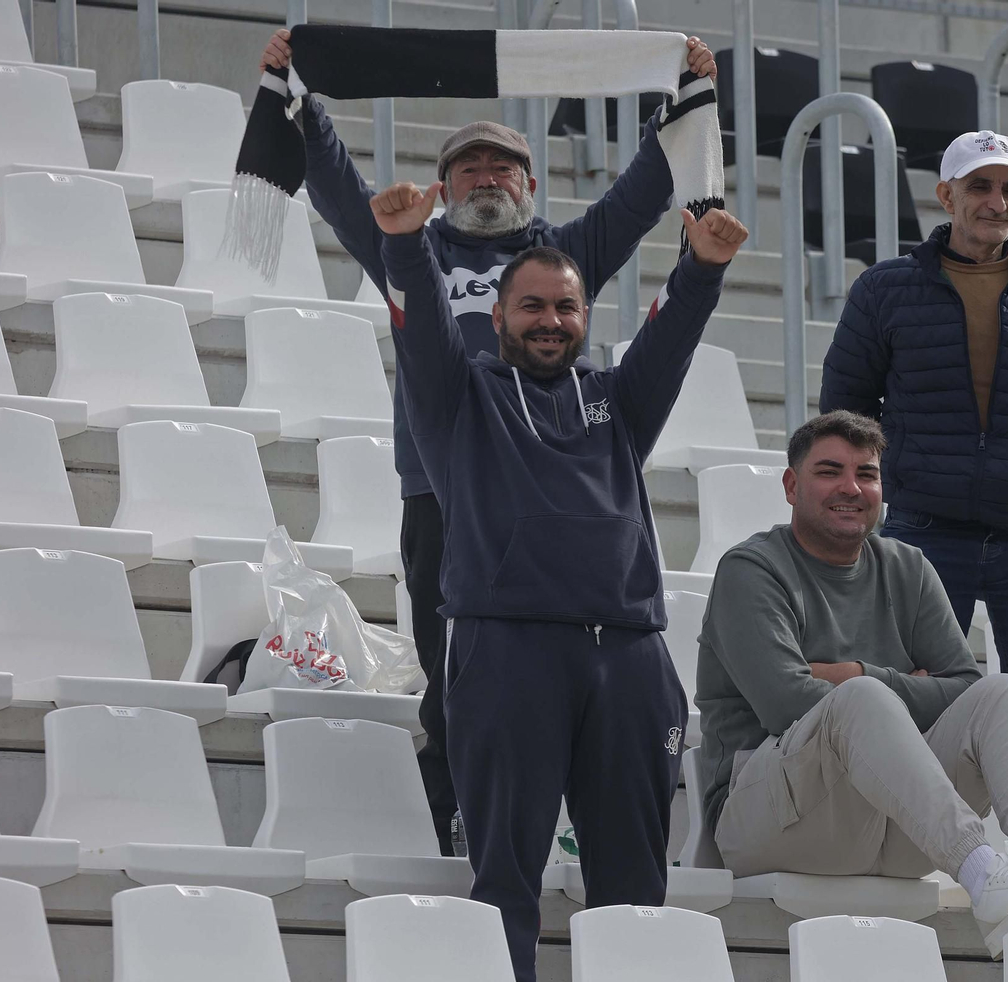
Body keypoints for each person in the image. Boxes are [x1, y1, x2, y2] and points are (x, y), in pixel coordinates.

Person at [258, 28, 717, 851]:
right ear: (441, 189)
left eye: (502, 166)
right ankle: (456, 818)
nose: (486, 178)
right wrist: (303, 101)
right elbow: (334, 186)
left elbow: (642, 196)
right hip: (444, 490)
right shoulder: (413, 247)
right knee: (452, 665)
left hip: (551, 491)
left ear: (531, 186)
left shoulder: (561, 258)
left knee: (564, 669)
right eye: (468, 167)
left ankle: (562, 813)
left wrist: (677, 101)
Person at [370, 173, 747, 981]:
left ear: (584, 317)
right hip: (508, 655)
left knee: (635, 891)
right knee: (506, 882)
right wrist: (404, 244)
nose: (550, 321)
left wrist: (702, 267)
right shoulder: (459, 401)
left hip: (630, 661)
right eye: (532, 307)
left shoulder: (617, 402)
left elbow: (671, 338)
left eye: (566, 307)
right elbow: (424, 330)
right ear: (498, 317)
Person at [695, 410, 1008, 960]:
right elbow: (784, 702)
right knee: (860, 701)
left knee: (1006, 693)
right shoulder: (751, 570)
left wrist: (857, 673)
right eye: (829, 472)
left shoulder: (908, 567)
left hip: (894, 824)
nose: (851, 488)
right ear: (791, 486)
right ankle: (987, 881)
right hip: (771, 821)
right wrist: (882, 689)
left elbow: (962, 688)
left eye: (866, 474)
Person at [818, 129, 1008, 758]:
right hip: (925, 530)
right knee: (909, 708)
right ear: (946, 195)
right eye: (979, 187)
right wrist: (907, 478)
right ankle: (911, 852)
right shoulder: (884, 289)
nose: (995, 202)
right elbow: (846, 411)